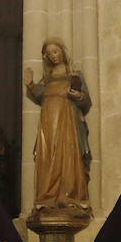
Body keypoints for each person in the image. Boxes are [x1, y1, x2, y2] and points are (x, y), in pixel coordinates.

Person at [23, 38, 92, 213]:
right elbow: (40, 94)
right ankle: (48, 196)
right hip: (48, 121)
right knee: (48, 155)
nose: (53, 56)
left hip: (68, 120)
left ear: (62, 51)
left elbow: (86, 100)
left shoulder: (74, 74)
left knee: (68, 154)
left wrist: (77, 96)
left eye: (55, 51)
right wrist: (30, 84)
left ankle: (69, 195)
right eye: (49, 54)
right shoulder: (47, 78)